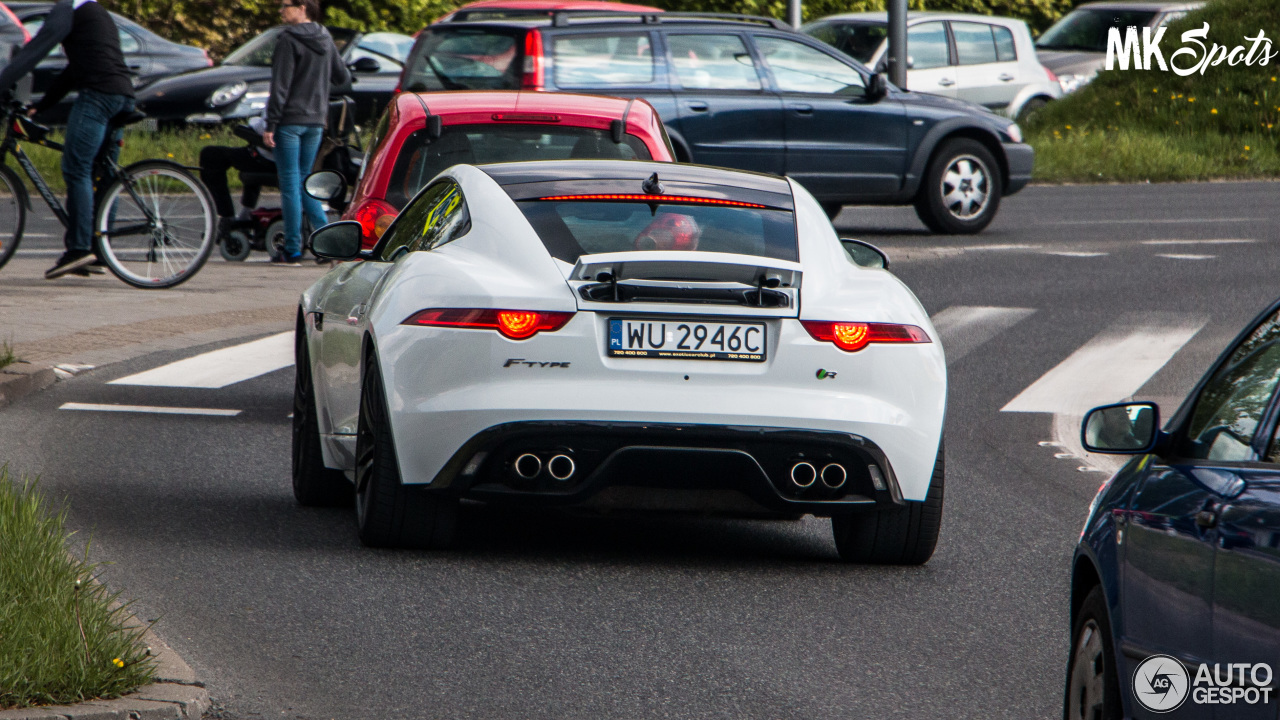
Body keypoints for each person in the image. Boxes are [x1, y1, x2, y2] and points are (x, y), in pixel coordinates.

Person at [0, 0, 136, 279]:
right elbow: (75, 68)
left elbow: (37, 48)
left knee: (77, 168)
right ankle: (99, 250)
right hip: (122, 96)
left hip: (98, 96)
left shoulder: (69, 8)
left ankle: (78, 249)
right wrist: (45, 104)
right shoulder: (95, 11)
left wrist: (3, 83)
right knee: (104, 173)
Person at [263, 0, 350, 266]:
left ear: (302, 7)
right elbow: (342, 78)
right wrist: (319, 94)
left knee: (290, 183)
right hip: (315, 121)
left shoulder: (288, 40)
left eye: (285, 5)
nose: (280, 10)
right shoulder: (325, 37)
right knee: (306, 181)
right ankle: (326, 245)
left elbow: (280, 87)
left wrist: (269, 125)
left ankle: (292, 249)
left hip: (289, 121)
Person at [200, 113, 275, 236]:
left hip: (271, 159)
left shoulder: (279, 96)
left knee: (210, 155)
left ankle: (226, 216)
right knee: (250, 151)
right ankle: (246, 213)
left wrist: (253, 123)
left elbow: (266, 125)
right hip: (298, 161)